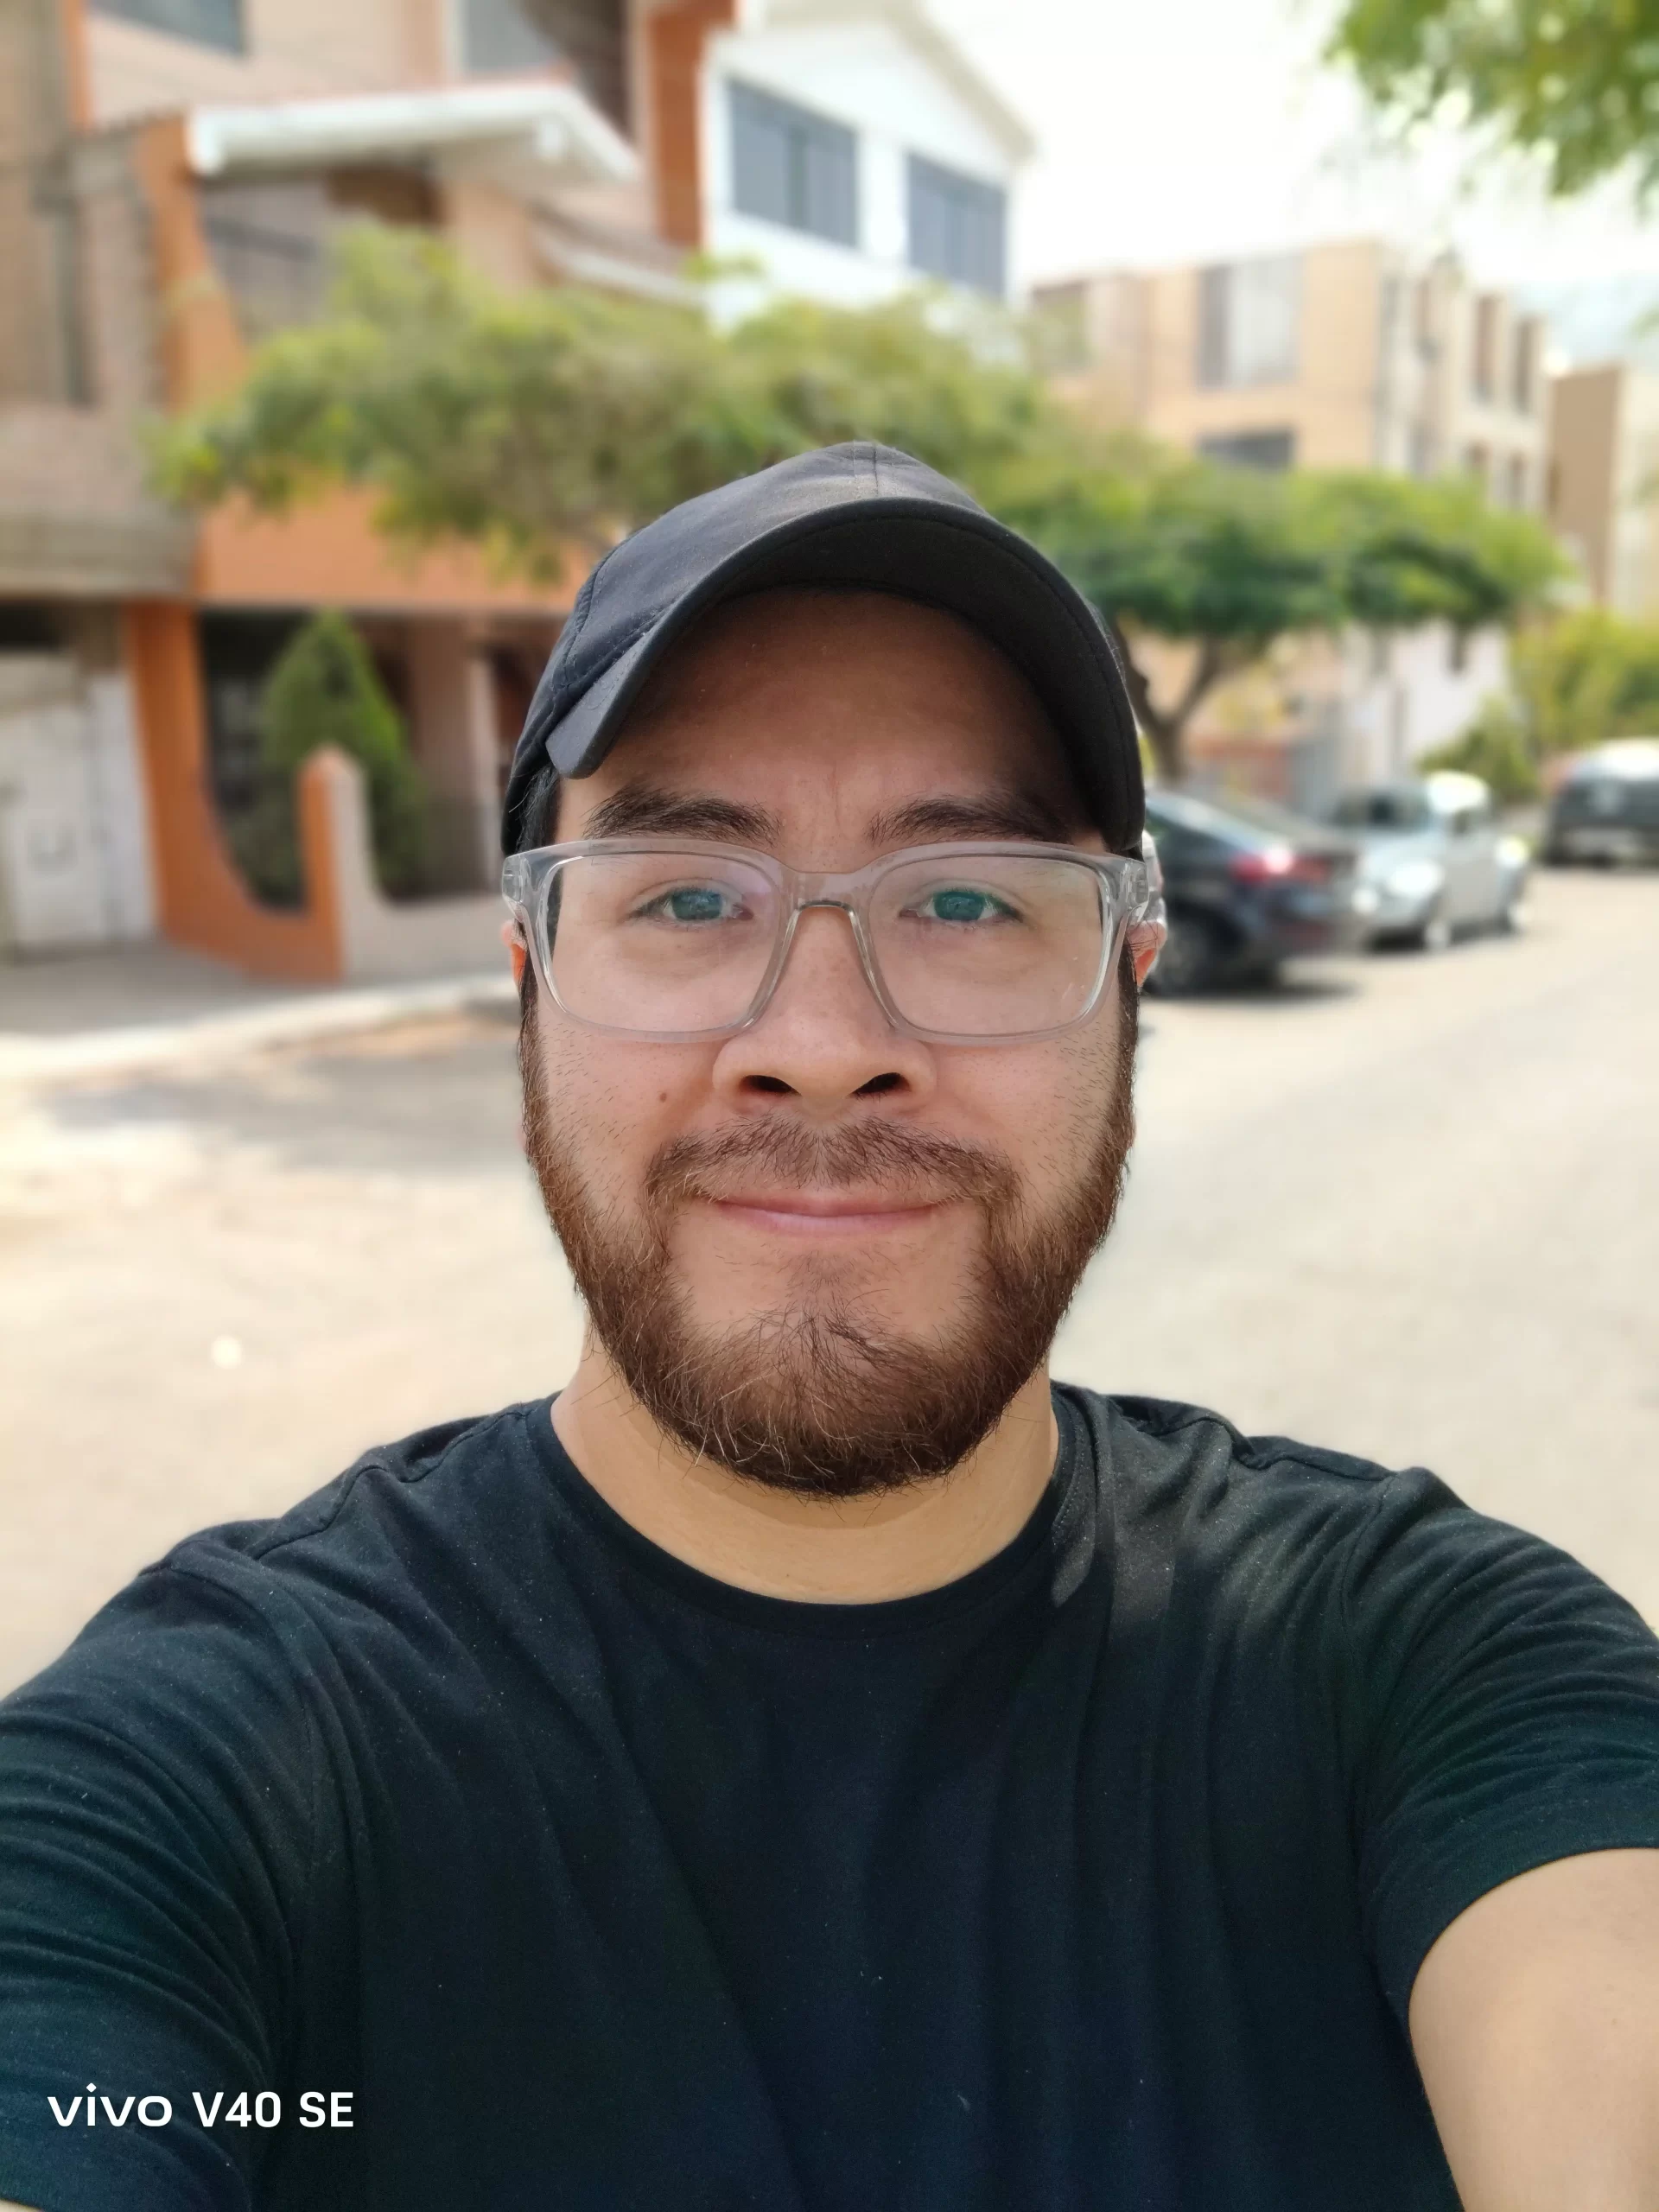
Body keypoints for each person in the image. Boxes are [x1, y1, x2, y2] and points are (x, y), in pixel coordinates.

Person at [2, 444, 1658, 2212]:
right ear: (531, 982)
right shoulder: (212, 1773)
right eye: (686, 897)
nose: (818, 1042)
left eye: (966, 899)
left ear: (1128, 985)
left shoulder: (1423, 1671)